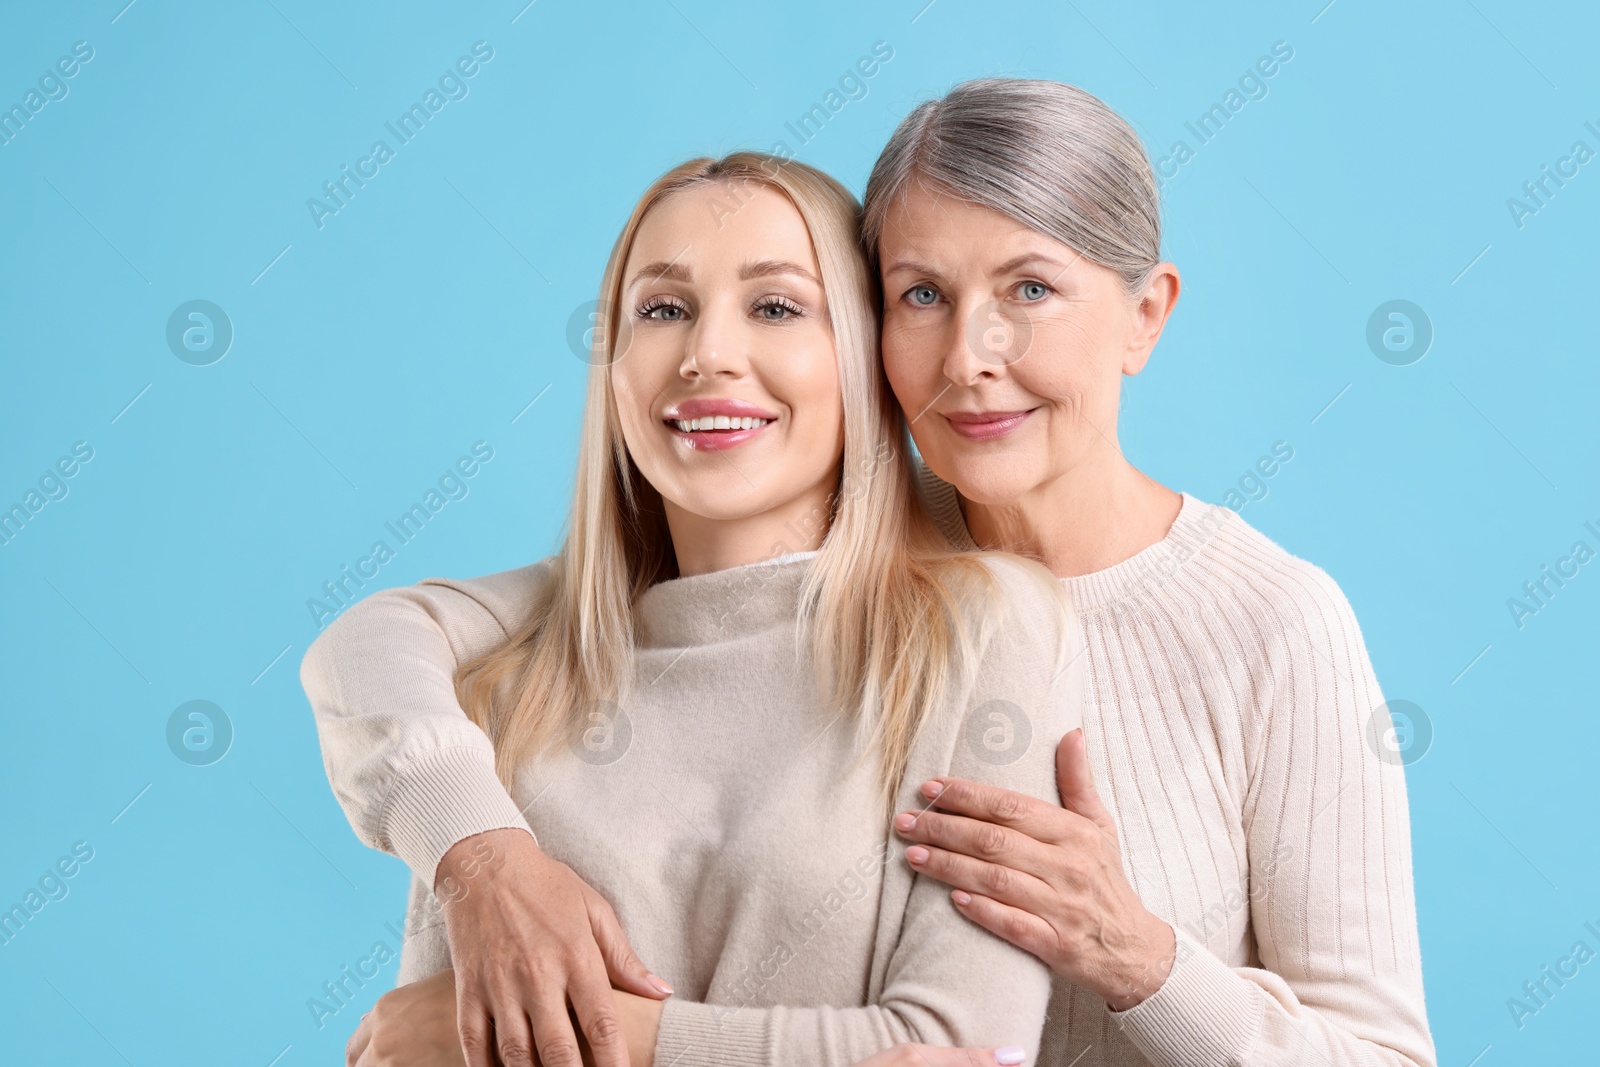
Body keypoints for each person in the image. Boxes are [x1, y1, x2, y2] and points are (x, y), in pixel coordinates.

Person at [313, 76, 1438, 1066]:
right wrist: (479, 851)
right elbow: (389, 639)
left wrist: (1134, 950)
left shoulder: (1269, 623)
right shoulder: (809, 544)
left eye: (1031, 290)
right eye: (920, 294)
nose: (967, 359)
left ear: (1145, 314)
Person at [301, 150, 1082, 1067]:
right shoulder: (514, 676)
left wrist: (622, 1040)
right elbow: (364, 645)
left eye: (777, 306)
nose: (708, 352)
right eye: (663, 310)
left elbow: (960, 1049)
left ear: (863, 358)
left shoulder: (981, 628)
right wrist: (484, 860)